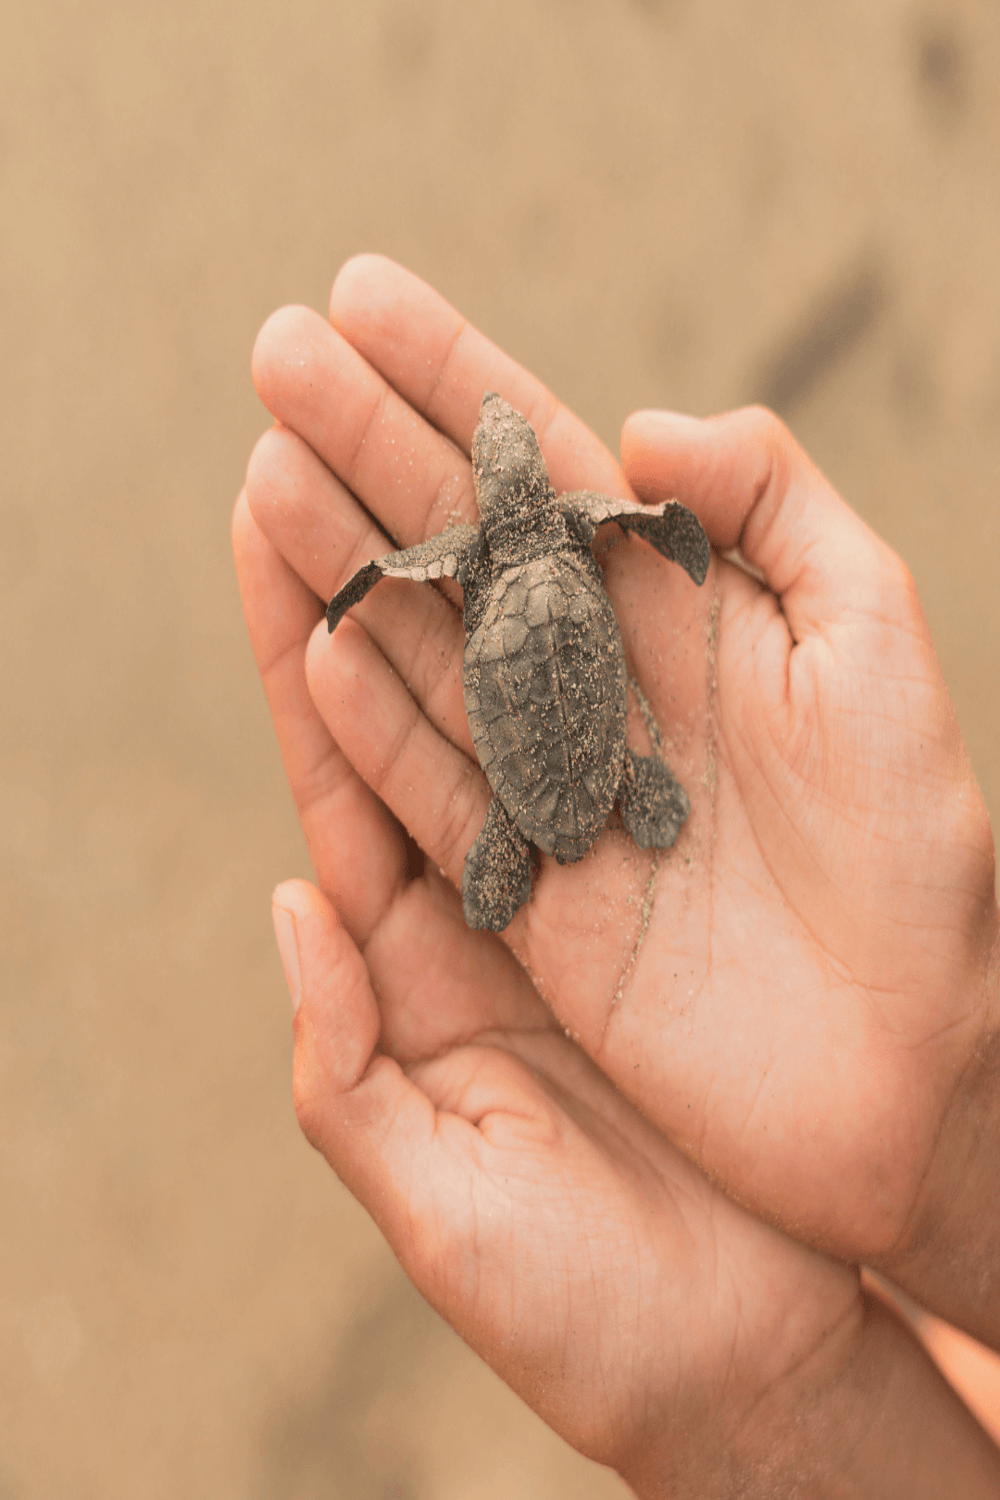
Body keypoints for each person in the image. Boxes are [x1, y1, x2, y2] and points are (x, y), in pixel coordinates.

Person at [232, 254, 1000, 1494]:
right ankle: (604, 797)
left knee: (492, 816)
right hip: (605, 748)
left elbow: (406, 570)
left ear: (493, 498)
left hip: (522, 789)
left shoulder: (470, 556)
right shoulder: (574, 523)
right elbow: (652, 524)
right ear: (534, 487)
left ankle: (519, 832)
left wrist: (371, 582)